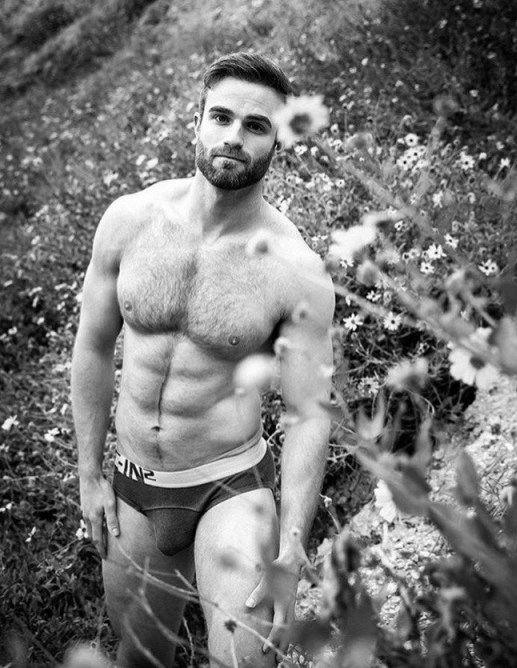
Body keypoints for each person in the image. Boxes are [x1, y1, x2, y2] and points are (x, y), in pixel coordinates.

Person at [71, 51, 335, 668]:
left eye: (256, 125)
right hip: (134, 486)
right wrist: (89, 474)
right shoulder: (128, 222)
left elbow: (308, 412)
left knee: (247, 658)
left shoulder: (294, 270)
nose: (234, 136)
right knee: (141, 656)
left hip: (229, 487)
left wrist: (293, 544)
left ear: (277, 142)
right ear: (197, 122)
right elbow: (93, 346)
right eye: (221, 117)